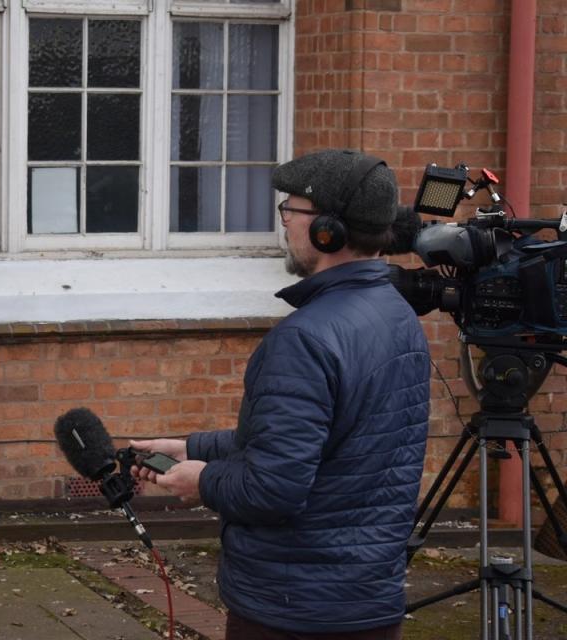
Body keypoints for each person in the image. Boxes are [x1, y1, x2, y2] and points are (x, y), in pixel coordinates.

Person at [131, 150, 430, 639]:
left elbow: (274, 490)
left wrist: (201, 481)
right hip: (367, 603)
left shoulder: (305, 338)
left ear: (327, 231)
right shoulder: (397, 314)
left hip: (293, 610)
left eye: (291, 210)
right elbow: (327, 442)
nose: (285, 223)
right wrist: (194, 449)